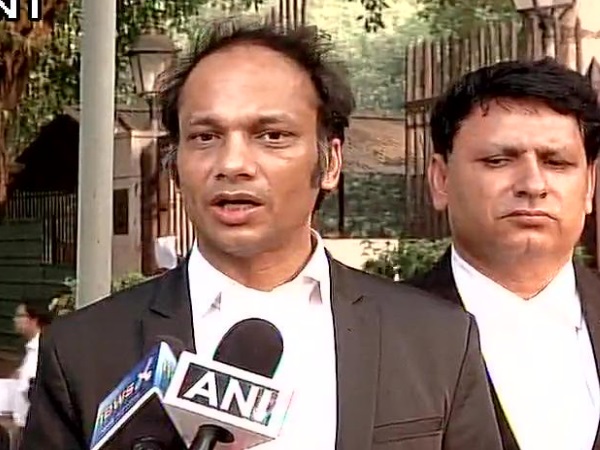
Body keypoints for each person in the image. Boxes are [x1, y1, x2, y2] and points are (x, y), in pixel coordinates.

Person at [21, 19, 502, 450]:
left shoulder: (437, 340)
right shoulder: (82, 352)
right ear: (176, 165)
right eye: (205, 137)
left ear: (330, 162)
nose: (233, 164)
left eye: (272, 135)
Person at [408, 58, 600, 450]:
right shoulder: (375, 336)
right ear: (440, 180)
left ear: (590, 185)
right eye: (498, 161)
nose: (533, 184)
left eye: (557, 162)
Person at [12, 302, 52, 442]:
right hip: (23, 425)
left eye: (20, 316)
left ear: (34, 320)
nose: (15, 320)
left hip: (33, 430)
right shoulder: (31, 349)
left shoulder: (43, 349)